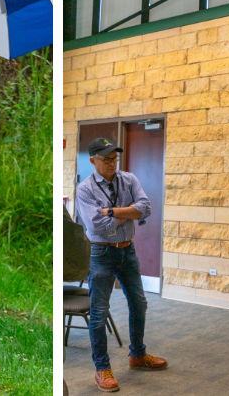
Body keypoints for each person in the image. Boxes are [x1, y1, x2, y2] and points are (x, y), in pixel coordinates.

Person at [74, 137, 166, 392]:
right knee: (99, 313)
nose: (112, 163)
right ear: (93, 160)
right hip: (100, 254)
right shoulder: (85, 189)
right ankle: (102, 368)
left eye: (114, 158)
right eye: (106, 159)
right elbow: (95, 226)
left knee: (139, 303)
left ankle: (137, 355)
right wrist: (128, 213)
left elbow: (145, 208)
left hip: (128, 252)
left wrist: (111, 212)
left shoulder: (129, 179)